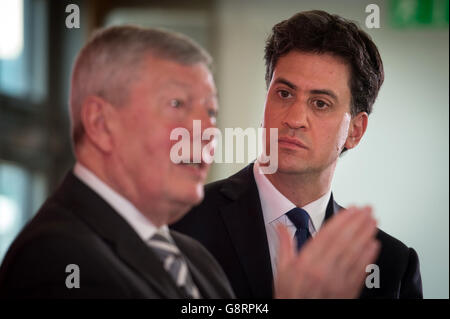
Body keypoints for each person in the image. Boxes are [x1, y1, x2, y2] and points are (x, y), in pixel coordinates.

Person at [0, 25, 378, 299]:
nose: (205, 132)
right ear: (101, 123)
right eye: (176, 104)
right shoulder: (56, 259)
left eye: (211, 112)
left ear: (356, 130)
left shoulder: (191, 258)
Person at [172, 10, 423, 299]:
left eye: (320, 103)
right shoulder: (180, 225)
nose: (294, 118)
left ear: (355, 130)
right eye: (284, 94)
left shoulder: (391, 265)